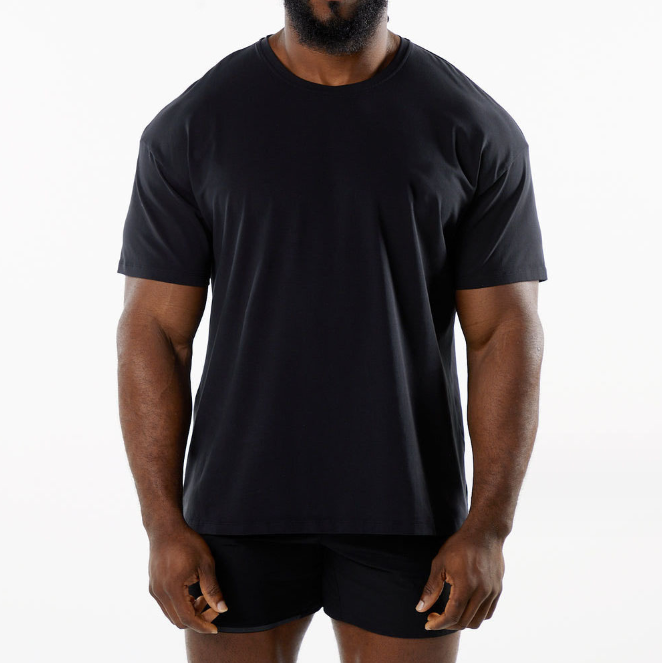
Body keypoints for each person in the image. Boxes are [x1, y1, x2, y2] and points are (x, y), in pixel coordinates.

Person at [115, 1, 547, 661]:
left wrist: (489, 527)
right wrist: (162, 524)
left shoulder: (473, 126)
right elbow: (153, 331)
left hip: (408, 508)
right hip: (236, 506)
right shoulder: (196, 124)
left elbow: (503, 335)